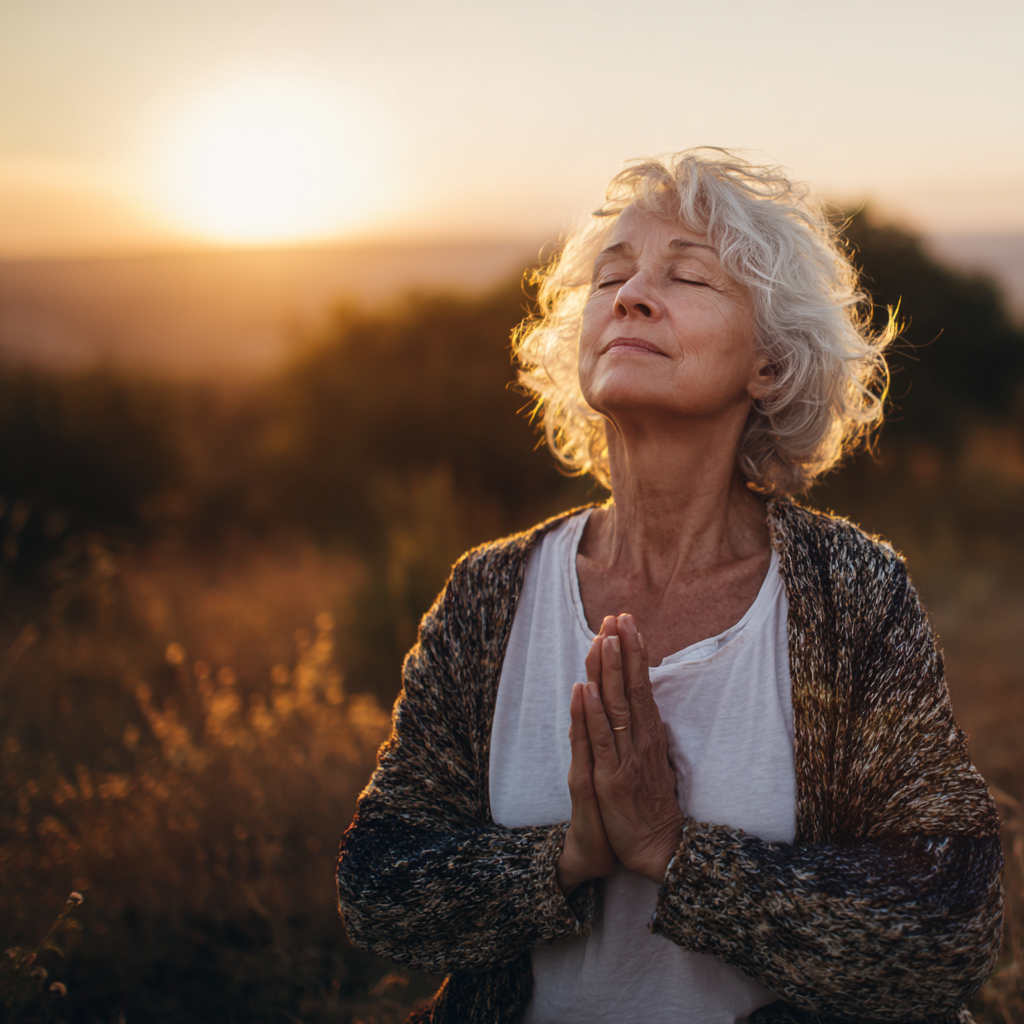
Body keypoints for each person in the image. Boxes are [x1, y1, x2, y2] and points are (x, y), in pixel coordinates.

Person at [336, 149, 1003, 1024]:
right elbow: (380, 884)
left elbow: (947, 924)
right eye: (613, 275)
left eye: (686, 277)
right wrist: (567, 858)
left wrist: (672, 851)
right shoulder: (487, 596)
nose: (631, 295)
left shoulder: (851, 594)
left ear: (768, 365)